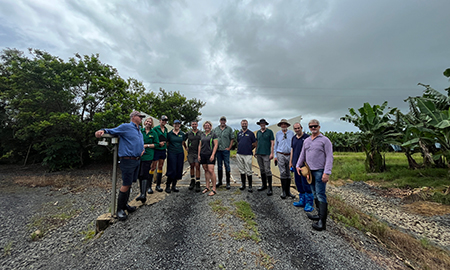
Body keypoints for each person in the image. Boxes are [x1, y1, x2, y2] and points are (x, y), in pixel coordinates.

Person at [95, 111, 145, 221]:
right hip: (127, 160)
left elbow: (140, 142)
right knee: (126, 184)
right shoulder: (126, 127)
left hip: (136, 160)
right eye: (140, 116)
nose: (141, 118)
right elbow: (112, 130)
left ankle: (125, 205)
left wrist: (143, 149)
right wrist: (102, 131)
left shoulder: (139, 130)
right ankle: (119, 210)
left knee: (130, 183)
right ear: (133, 117)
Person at [296, 119, 333, 231]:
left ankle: (322, 222)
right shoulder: (306, 140)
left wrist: (327, 172)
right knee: (314, 193)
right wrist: (298, 165)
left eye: (315, 126)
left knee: (321, 194)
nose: (313, 128)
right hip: (309, 171)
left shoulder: (325, 140)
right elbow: (303, 154)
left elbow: (329, 157)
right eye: (311, 126)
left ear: (319, 127)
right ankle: (318, 215)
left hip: (320, 171)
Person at [289, 122, 313, 211]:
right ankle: (302, 201)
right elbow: (292, 150)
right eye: (295, 128)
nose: (297, 130)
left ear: (301, 128)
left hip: (304, 166)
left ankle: (309, 203)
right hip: (296, 165)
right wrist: (290, 162)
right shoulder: (293, 138)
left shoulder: (307, 138)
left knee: (306, 184)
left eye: (298, 128)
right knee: (298, 183)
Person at [136, 117, 159, 203]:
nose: (148, 123)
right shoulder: (140, 131)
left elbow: (157, 144)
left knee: (144, 173)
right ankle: (141, 192)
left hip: (148, 155)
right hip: (139, 155)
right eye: (147, 121)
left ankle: (143, 194)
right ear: (144, 122)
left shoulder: (154, 133)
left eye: (150, 122)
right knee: (139, 174)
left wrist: (147, 145)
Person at [274, 119, 295, 199]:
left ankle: (288, 191)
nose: (283, 126)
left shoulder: (291, 133)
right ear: (280, 125)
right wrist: (275, 156)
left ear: (287, 125)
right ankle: (283, 191)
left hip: (289, 154)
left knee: (288, 173)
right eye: (282, 124)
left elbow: (293, 145)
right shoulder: (278, 134)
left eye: (285, 124)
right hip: (280, 154)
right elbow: (276, 145)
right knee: (282, 172)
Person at [166, 120, 187, 193]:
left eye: (178, 124)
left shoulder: (182, 134)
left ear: (180, 125)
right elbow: (167, 143)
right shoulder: (169, 134)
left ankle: (174, 186)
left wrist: (186, 148)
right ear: (173, 125)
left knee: (178, 169)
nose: (177, 125)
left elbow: (183, 142)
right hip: (172, 153)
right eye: (175, 124)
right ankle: (168, 185)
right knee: (172, 169)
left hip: (180, 153)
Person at [198, 121, 219, 196]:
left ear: (210, 126)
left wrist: (213, 155)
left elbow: (216, 145)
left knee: (211, 170)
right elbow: (200, 145)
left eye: (208, 125)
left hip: (210, 154)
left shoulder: (213, 134)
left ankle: (214, 188)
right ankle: (207, 187)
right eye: (205, 125)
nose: (207, 126)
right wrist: (199, 155)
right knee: (206, 170)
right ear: (204, 126)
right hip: (203, 154)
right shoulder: (202, 134)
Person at [255, 119, 275, 196]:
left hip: (266, 153)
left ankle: (270, 188)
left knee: (267, 170)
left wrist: (272, 153)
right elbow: (257, 142)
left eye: (263, 123)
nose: (262, 125)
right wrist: (255, 151)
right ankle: (264, 185)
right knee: (262, 169)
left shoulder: (269, 132)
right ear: (259, 124)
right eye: (261, 124)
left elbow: (272, 142)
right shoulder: (258, 132)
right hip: (259, 153)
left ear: (265, 124)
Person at [213, 116, 234, 189]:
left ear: (225, 121)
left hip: (225, 150)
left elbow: (232, 138)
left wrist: (229, 148)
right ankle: (220, 182)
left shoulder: (229, 129)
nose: (222, 121)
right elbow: (213, 139)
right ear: (219, 121)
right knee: (219, 166)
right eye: (221, 120)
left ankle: (228, 183)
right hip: (218, 150)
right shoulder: (216, 129)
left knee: (227, 165)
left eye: (224, 120)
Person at [236, 120, 257, 192]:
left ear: (247, 124)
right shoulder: (239, 134)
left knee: (248, 170)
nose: (244, 125)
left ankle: (250, 186)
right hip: (239, 154)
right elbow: (238, 142)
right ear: (241, 124)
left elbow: (254, 143)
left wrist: (249, 148)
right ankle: (243, 185)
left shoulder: (251, 133)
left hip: (248, 154)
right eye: (243, 123)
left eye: (245, 123)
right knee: (241, 170)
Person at [151, 115, 169, 192]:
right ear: (160, 120)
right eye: (163, 120)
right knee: (153, 166)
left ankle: (158, 185)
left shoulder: (166, 129)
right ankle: (149, 185)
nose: (164, 121)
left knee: (160, 166)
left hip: (163, 150)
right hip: (157, 150)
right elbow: (153, 139)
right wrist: (158, 143)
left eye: (165, 120)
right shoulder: (155, 129)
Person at [187, 121, 203, 192]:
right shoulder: (188, 133)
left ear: (197, 125)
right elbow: (182, 141)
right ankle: (192, 180)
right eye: (192, 124)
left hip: (198, 152)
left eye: (195, 124)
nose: (194, 125)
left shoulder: (200, 133)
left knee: (197, 166)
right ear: (191, 125)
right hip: (190, 152)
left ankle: (198, 182)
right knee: (192, 166)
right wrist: (186, 147)